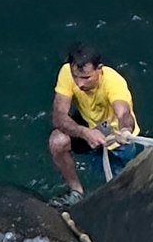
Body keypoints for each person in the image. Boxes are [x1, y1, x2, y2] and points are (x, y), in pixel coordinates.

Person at [48, 43, 139, 200]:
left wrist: (125, 131)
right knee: (57, 142)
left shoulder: (114, 82)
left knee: (123, 189)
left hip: (115, 134)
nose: (79, 83)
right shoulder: (67, 72)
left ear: (99, 69)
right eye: (75, 76)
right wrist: (85, 133)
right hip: (90, 128)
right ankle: (76, 192)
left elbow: (123, 113)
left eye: (86, 78)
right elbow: (58, 116)